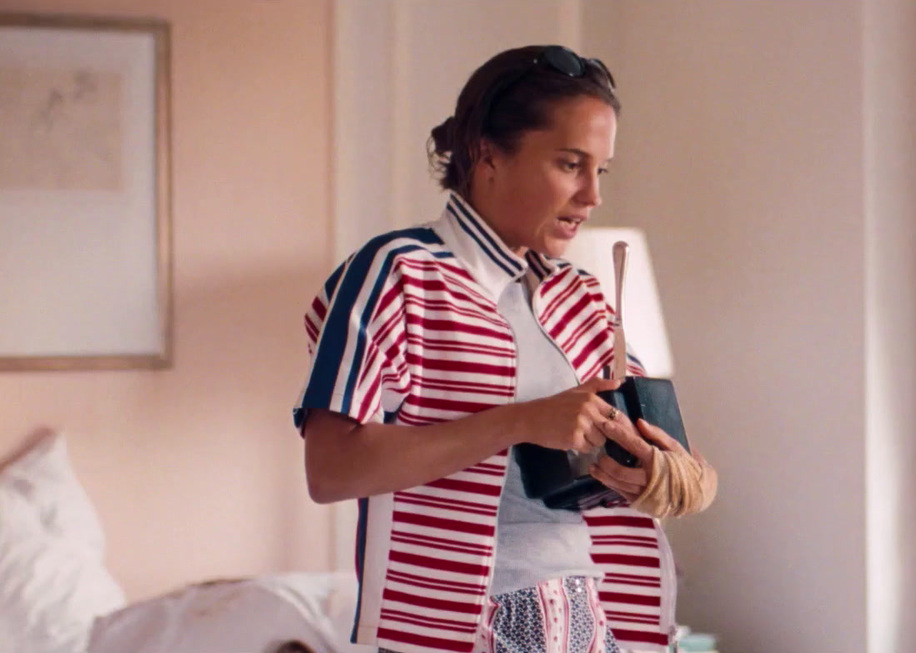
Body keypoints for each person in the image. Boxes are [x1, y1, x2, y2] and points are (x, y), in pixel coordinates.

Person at [292, 45, 715, 653]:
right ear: (485, 153)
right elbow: (331, 471)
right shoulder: (397, 274)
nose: (592, 195)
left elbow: (684, 460)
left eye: (602, 171)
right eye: (571, 164)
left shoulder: (581, 296)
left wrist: (656, 472)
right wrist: (522, 422)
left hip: (584, 619)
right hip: (458, 630)